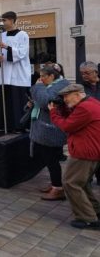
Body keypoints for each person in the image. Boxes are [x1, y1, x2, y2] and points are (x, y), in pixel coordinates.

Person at [49, 83, 100, 229]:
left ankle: (88, 218)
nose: (64, 100)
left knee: (70, 183)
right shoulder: (91, 103)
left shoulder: (85, 108)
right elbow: (75, 119)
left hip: (84, 152)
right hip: (91, 150)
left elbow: (67, 126)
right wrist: (64, 109)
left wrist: (53, 112)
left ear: (78, 94)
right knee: (81, 183)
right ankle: (94, 210)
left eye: (67, 96)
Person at [28, 64, 69, 200]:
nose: (40, 80)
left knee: (51, 159)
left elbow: (46, 101)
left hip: (52, 130)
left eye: (43, 77)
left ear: (52, 76)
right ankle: (55, 184)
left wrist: (38, 87)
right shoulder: (53, 85)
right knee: (49, 159)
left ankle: (58, 189)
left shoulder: (61, 85)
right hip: (46, 129)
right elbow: (41, 100)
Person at [0, 11, 31, 133]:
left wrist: (6, 48)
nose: (3, 23)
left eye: (4, 20)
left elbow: (22, 52)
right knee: (6, 102)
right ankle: (6, 125)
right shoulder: (1, 35)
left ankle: (19, 126)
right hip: (5, 73)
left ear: (12, 20)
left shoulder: (23, 35)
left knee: (18, 102)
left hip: (18, 74)